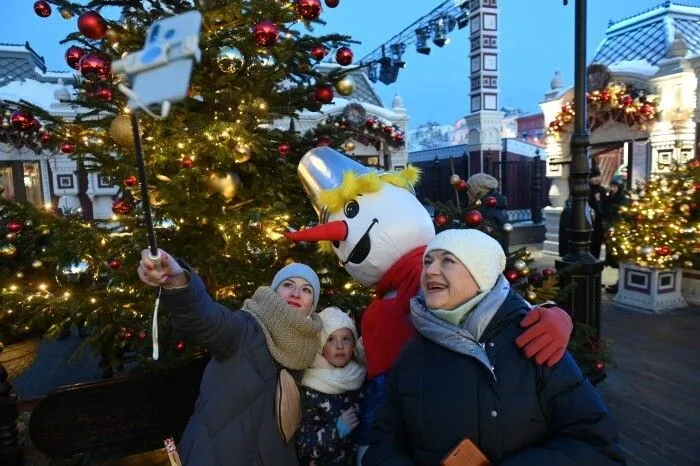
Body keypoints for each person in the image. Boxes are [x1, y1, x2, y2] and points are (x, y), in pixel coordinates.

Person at [363, 229, 625, 465]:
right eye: (428, 261)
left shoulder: (535, 340)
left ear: (481, 275)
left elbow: (596, 445)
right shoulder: (412, 356)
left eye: (448, 260)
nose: (430, 270)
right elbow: (383, 444)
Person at [137, 250, 323, 466]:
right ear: (274, 292)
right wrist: (177, 280)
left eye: (306, 289)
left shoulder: (307, 351)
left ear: (312, 305)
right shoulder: (245, 329)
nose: (296, 293)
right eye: (288, 284)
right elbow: (207, 318)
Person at [296, 307, 367, 466]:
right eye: (331, 339)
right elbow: (303, 447)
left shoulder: (361, 377)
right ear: (321, 345)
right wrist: (337, 429)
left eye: (346, 339)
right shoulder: (311, 387)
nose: (339, 346)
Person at [603, 175, 628, 293]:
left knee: (618, 258)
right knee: (613, 258)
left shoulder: (622, 199)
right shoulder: (610, 198)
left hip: (618, 233)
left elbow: (621, 215)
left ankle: (620, 283)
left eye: (615, 186)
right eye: (611, 186)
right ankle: (618, 283)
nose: (612, 188)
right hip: (610, 232)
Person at [588, 165, 607, 259]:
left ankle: (596, 261)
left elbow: (604, 206)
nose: (596, 179)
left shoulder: (602, 190)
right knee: (590, 243)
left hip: (599, 223)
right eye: (594, 177)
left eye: (598, 176)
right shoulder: (586, 190)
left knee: (597, 244)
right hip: (590, 222)